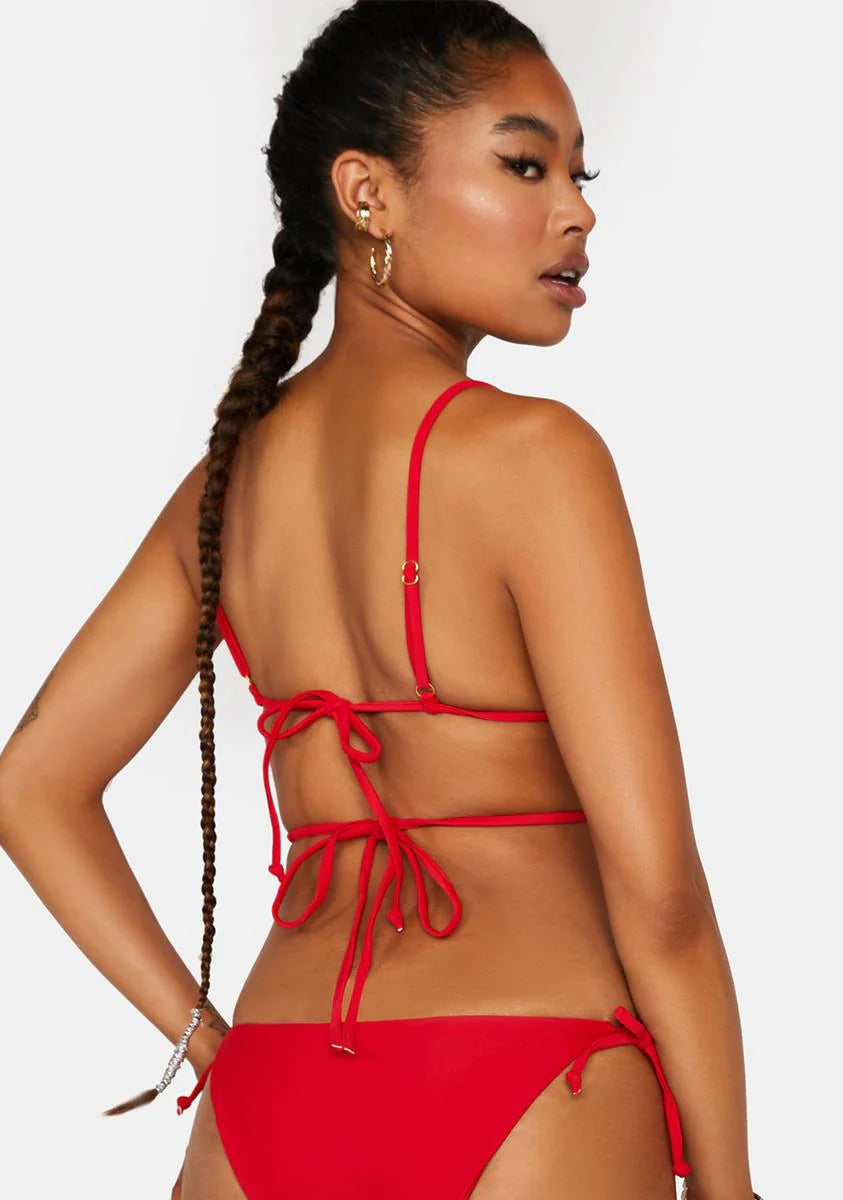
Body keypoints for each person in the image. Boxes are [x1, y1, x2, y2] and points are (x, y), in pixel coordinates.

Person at [0, 3, 763, 1198]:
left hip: (272, 1094)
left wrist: (210, 1043)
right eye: (525, 165)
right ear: (368, 195)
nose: (577, 211)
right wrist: (731, 1185)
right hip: (535, 1080)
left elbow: (31, 783)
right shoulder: (535, 457)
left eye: (580, 174)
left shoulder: (228, 485)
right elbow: (660, 896)